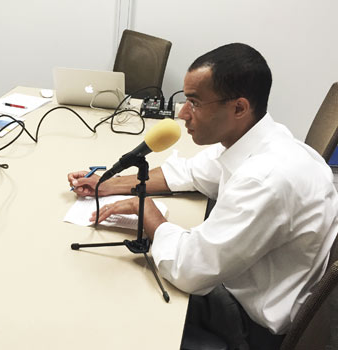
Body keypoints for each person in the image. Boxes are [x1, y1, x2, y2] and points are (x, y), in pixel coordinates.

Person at [68, 43, 338, 349]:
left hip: (250, 325)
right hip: (250, 284)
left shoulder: (265, 179)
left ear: (239, 108)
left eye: (194, 103)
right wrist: (109, 184)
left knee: (117, 294)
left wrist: (149, 216)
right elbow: (190, 172)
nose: (183, 114)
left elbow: (190, 270)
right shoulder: (264, 139)